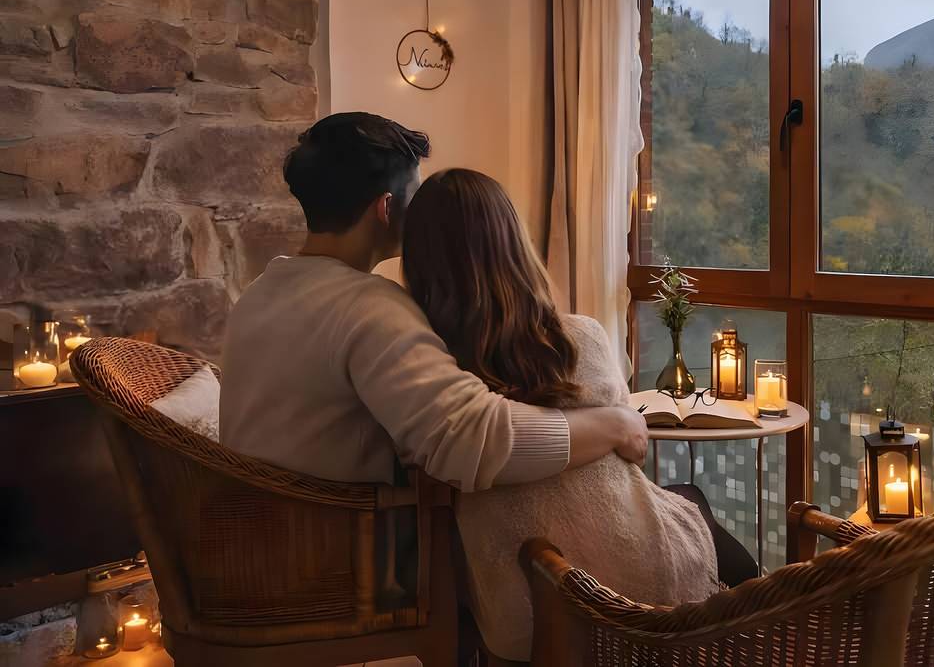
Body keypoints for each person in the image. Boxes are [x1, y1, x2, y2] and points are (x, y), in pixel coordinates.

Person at [402, 168, 751, 662]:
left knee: (687, 502)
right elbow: (636, 450)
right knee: (695, 508)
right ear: (513, 245)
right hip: (629, 585)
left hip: (520, 605)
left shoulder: (429, 368)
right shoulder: (580, 338)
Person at [220, 113, 649, 493]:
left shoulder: (261, 292)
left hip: (261, 546)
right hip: (342, 559)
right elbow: (471, 439)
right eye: (416, 198)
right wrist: (616, 424)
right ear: (387, 208)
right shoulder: (368, 308)